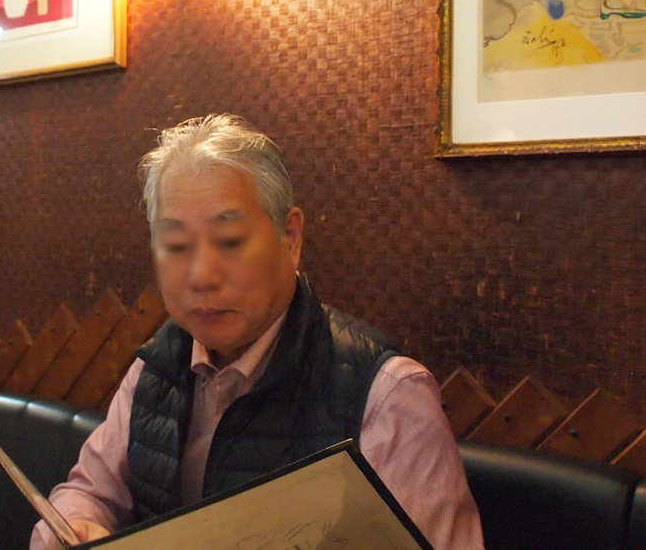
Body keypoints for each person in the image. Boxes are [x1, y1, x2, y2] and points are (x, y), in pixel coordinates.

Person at [30, 114, 483, 549]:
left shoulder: (386, 396)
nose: (202, 274)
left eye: (230, 241)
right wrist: (74, 529)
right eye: (175, 244)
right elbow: (88, 493)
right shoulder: (157, 366)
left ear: (291, 237)